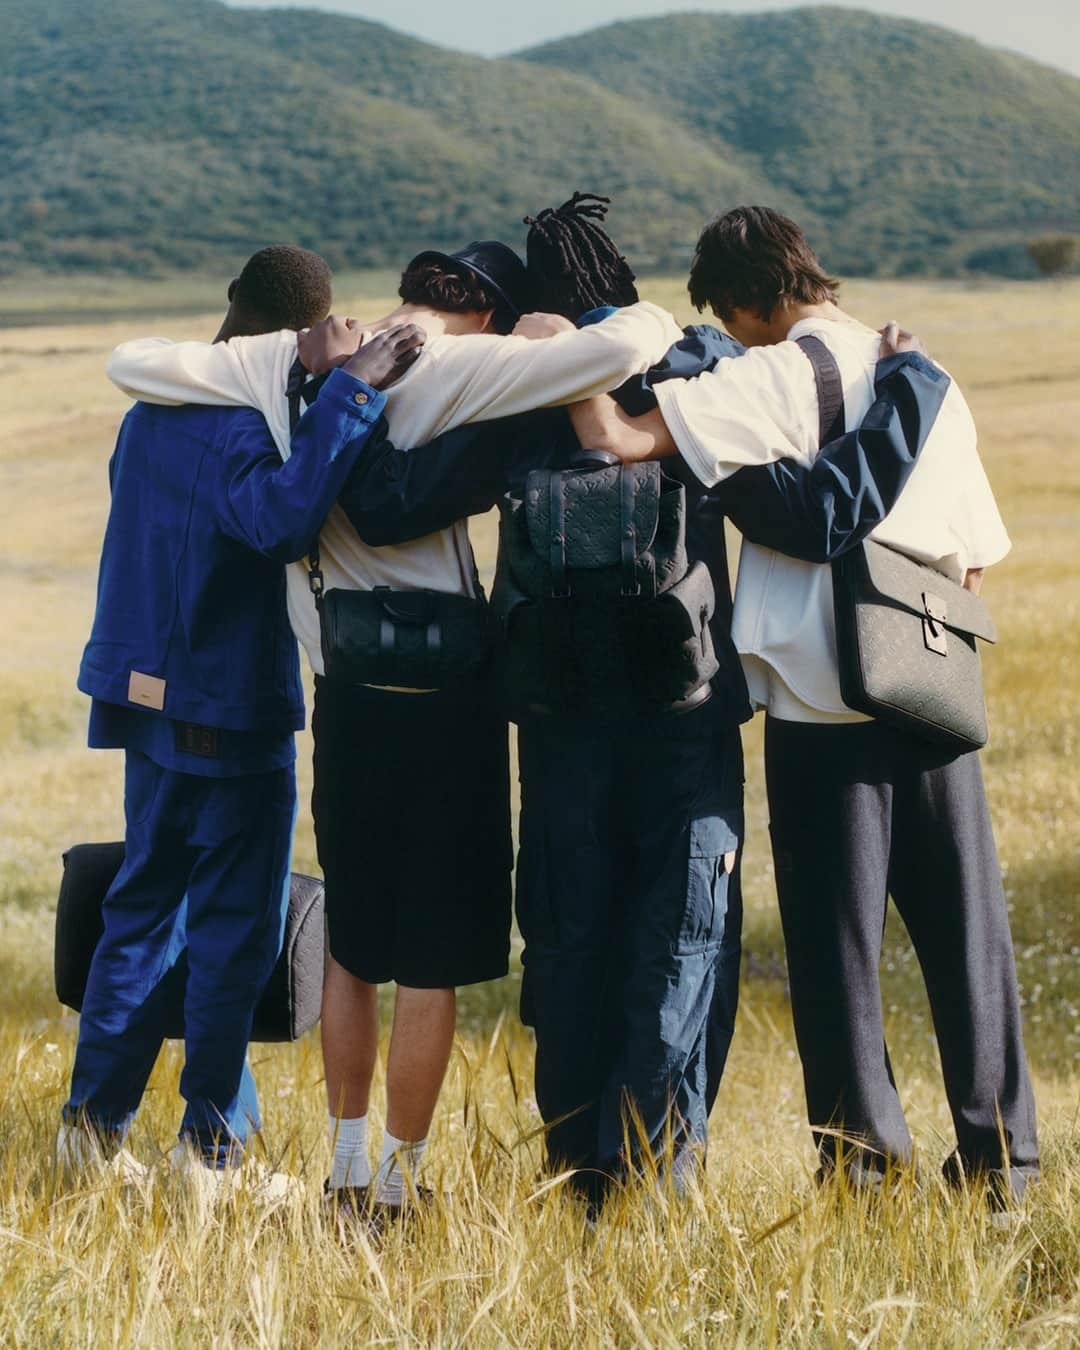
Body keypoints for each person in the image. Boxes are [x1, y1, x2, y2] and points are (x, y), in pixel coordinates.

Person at [325, 193, 951, 1209]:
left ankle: (579, 1172)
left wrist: (346, 390)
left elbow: (393, 502)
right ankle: (661, 1179)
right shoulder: (695, 360)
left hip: (558, 714)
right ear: (619, 280)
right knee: (682, 935)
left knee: (571, 932)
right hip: (684, 704)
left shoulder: (524, 394)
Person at [105, 242, 684, 1219]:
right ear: (491, 315)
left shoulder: (284, 360)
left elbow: (132, 360)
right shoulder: (467, 363)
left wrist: (299, 354)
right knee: (435, 959)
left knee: (354, 947)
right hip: (448, 702)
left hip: (345, 696)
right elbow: (635, 343)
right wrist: (571, 330)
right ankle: (403, 1184)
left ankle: (342, 1169)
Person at [572, 206, 1040, 1205]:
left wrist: (570, 355)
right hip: (930, 687)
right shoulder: (929, 376)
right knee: (972, 943)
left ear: (743, 303)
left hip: (822, 708)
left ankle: (863, 1170)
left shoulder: (769, 374)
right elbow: (982, 554)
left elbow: (620, 438)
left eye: (729, 319)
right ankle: (1003, 1165)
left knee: (836, 957)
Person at [61, 246, 422, 1196]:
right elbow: (281, 521)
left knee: (142, 910)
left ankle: (91, 1130)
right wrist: (350, 394)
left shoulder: (151, 412)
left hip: (146, 696)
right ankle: (209, 1149)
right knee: (233, 930)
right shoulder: (243, 422)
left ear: (232, 309)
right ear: (306, 330)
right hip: (228, 708)